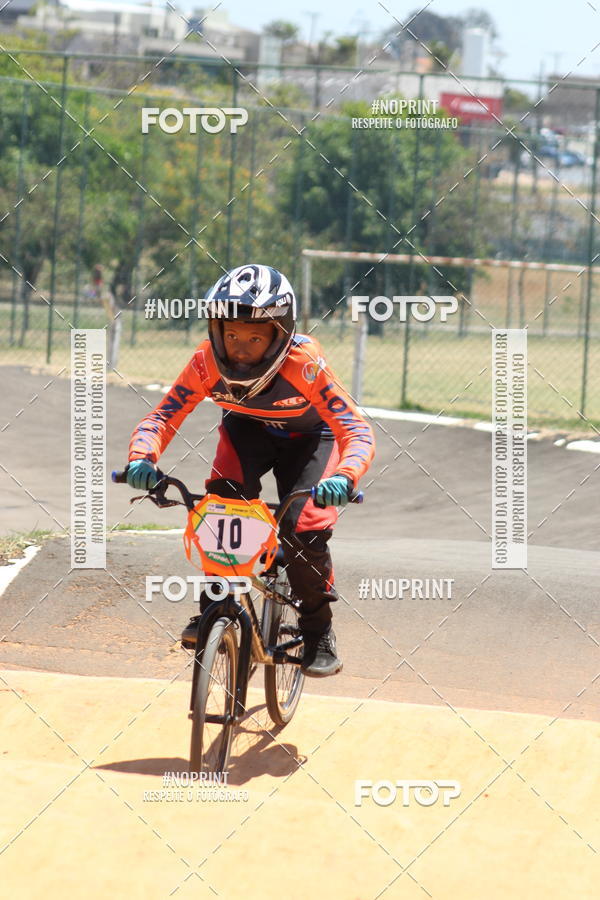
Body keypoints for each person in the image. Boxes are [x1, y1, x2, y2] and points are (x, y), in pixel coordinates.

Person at [125, 264, 375, 677]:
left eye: (254, 337)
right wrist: (141, 458)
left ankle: (318, 630)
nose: (240, 347)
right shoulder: (205, 363)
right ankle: (214, 608)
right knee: (220, 507)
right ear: (216, 331)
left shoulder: (305, 363)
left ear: (279, 334)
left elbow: (354, 427)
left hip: (311, 440)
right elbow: (162, 418)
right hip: (248, 433)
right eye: (232, 335)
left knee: (303, 529)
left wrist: (344, 476)